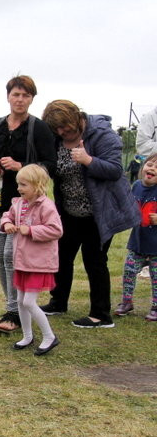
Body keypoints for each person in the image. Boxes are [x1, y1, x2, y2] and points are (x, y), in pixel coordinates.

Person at [38, 100, 140, 328]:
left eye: (66, 127)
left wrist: (88, 160)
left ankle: (101, 315)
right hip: (69, 210)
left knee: (94, 260)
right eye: (57, 129)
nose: (62, 132)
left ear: (76, 118)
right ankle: (58, 301)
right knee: (62, 256)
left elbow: (114, 171)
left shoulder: (103, 135)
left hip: (100, 212)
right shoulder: (56, 138)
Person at [0, 76, 57, 334]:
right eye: (16, 94)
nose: (20, 99)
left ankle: (15, 311)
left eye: (25, 95)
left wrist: (21, 167)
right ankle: (12, 306)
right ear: (8, 96)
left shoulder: (39, 128)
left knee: (12, 255)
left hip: (26, 203)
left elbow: (50, 165)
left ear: (32, 99)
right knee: (1, 256)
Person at [0, 164, 63, 355]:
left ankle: (50, 336)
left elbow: (56, 230)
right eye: (19, 184)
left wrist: (32, 230)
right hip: (22, 262)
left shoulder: (46, 206)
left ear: (37, 185)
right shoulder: (18, 203)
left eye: (24, 184)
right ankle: (27, 336)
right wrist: (8, 224)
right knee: (20, 300)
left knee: (28, 302)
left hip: (39, 264)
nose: (19, 188)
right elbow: (6, 216)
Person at [114, 153, 157, 320]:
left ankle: (155, 306)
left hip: (155, 247)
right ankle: (127, 301)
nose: (152, 167)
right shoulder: (137, 185)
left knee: (156, 278)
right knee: (129, 272)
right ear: (142, 167)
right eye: (150, 164)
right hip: (137, 243)